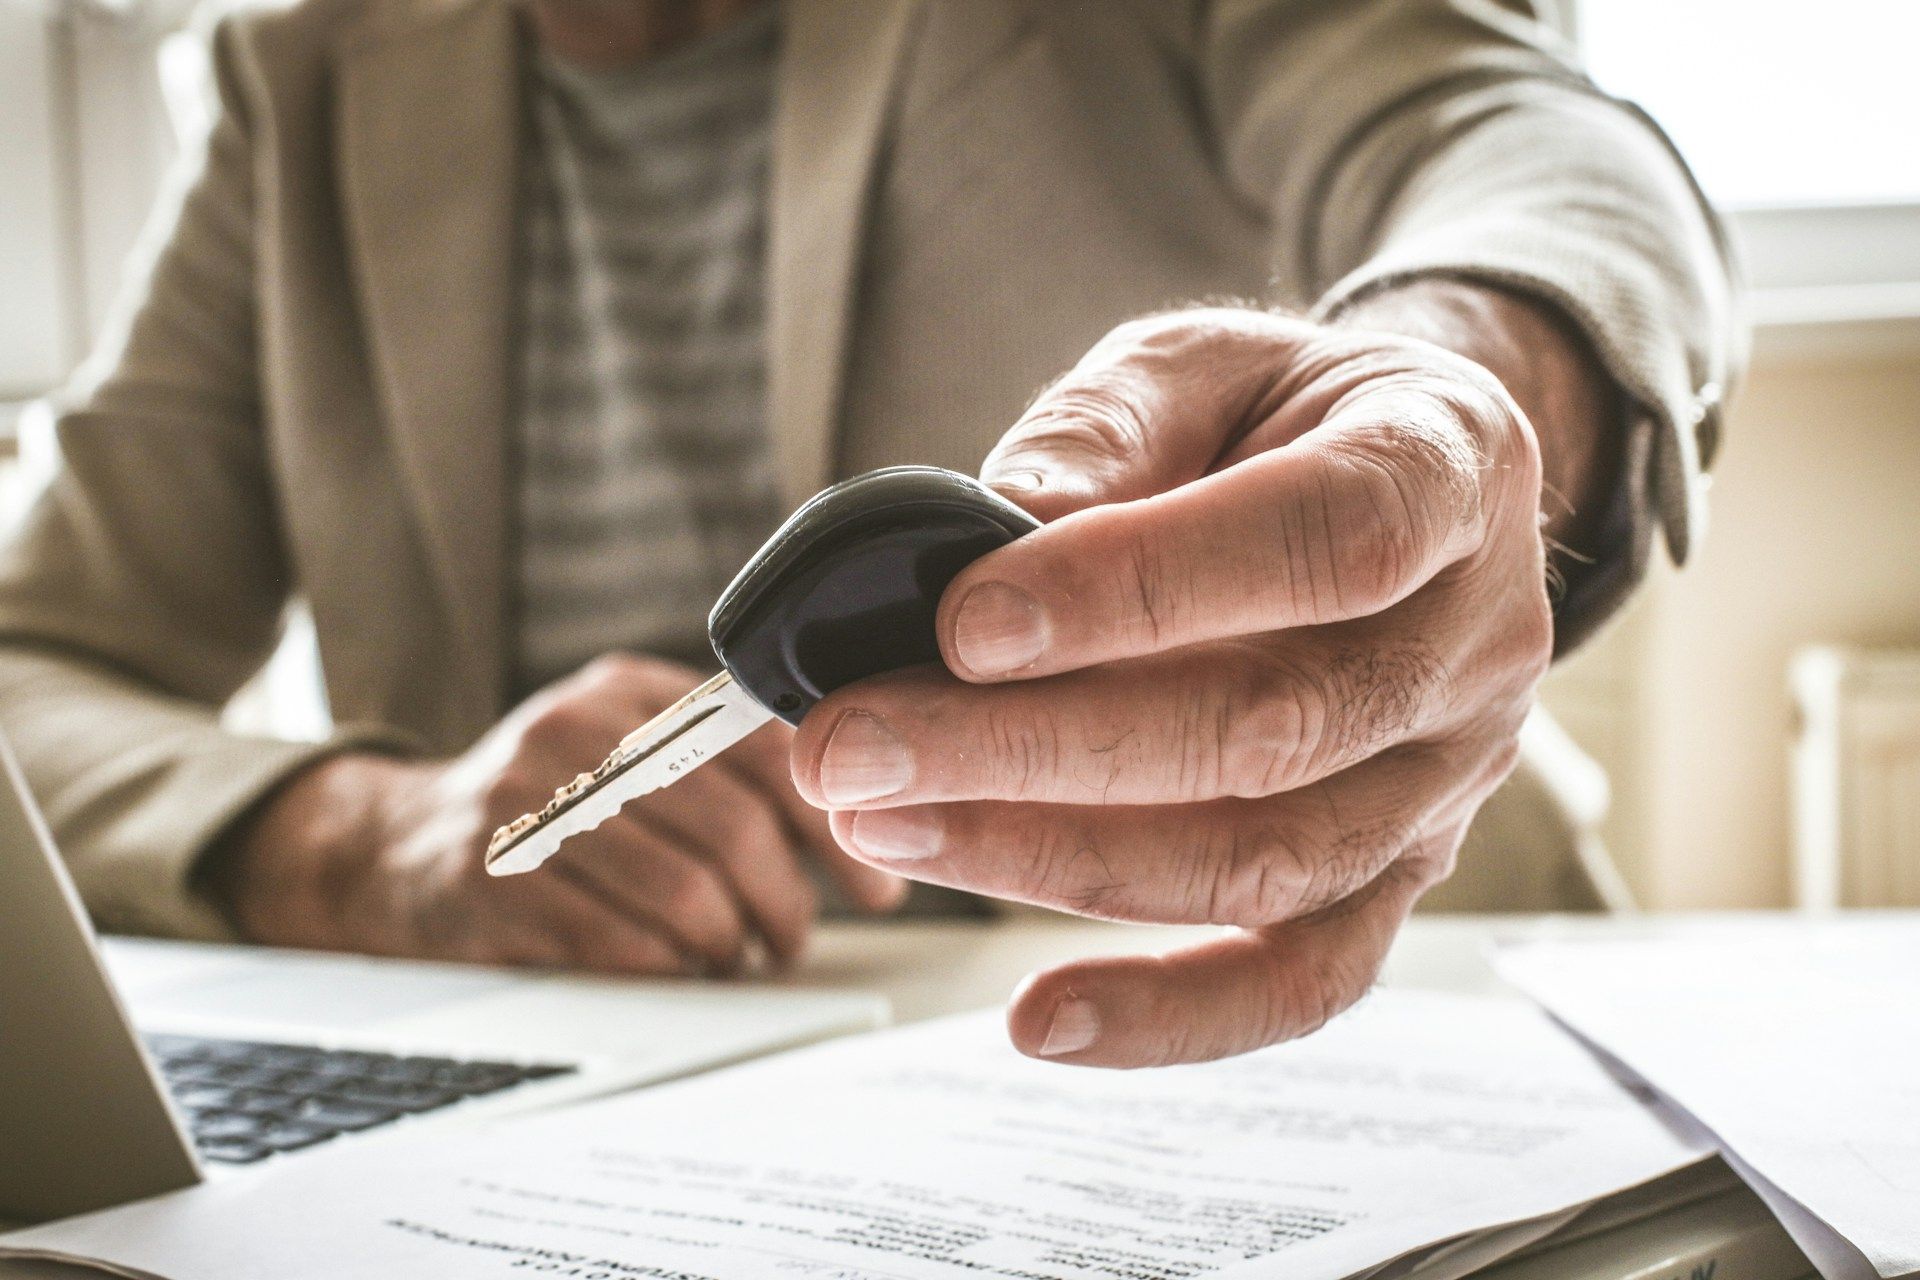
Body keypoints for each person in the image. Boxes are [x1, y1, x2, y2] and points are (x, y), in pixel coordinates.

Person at [0, 0, 1736, 1067]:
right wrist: (352, 837)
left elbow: (1541, 149)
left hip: (1356, 1028)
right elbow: (31, 669)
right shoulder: (295, 80)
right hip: (622, 1140)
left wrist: (1456, 379)